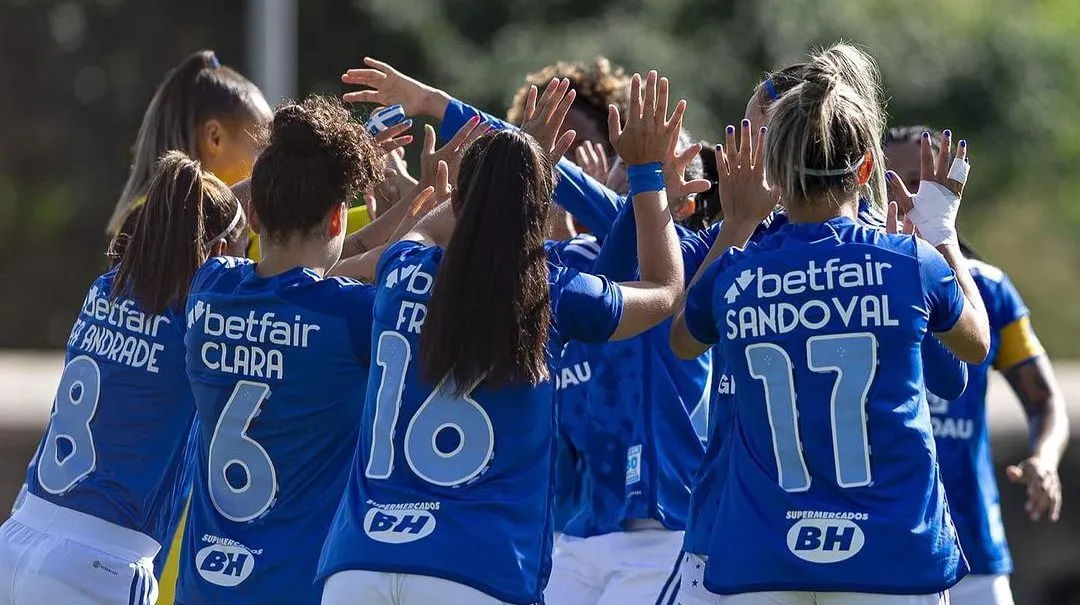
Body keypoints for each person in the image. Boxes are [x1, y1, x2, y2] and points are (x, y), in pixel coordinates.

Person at [318, 72, 686, 605]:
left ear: (462, 198)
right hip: (476, 568)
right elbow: (664, 289)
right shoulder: (553, 291)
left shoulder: (402, 266)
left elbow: (427, 231)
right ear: (540, 206)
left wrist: (507, 164)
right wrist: (647, 173)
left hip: (360, 564)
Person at [669, 43, 991, 605]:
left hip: (762, 547)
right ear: (867, 165)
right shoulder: (904, 259)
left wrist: (734, 225)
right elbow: (974, 347)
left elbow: (681, 338)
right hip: (892, 547)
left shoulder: (737, 271)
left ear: (771, 166)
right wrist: (939, 231)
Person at [0, 151, 247, 605]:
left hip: (17, 537)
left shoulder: (104, 288)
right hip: (99, 564)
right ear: (218, 255)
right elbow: (303, 275)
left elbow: (191, 227)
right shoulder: (200, 325)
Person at [176, 95, 386, 605]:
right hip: (297, 589)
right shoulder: (352, 316)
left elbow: (226, 212)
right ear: (339, 220)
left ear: (253, 211)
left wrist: (286, 168)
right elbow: (360, 272)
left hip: (203, 590)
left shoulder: (208, 288)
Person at [884, 126, 1069, 605]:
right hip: (887, 548)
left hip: (975, 553)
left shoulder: (989, 289)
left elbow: (1045, 400)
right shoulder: (856, 278)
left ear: (948, 189)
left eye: (918, 182)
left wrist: (1044, 459)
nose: (903, 195)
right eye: (888, 182)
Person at [106, 50, 271, 256]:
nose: (270, 158)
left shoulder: (249, 221)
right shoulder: (153, 219)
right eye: (261, 145)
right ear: (214, 137)